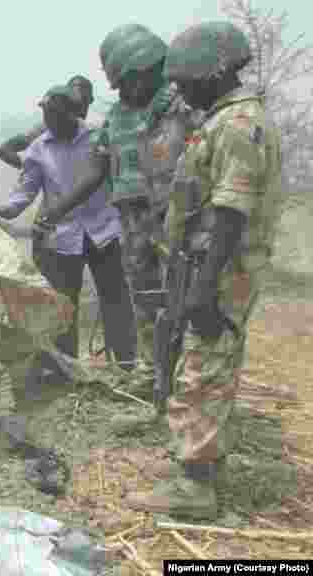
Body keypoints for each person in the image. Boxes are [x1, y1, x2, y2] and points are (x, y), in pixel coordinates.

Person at [124, 21, 283, 518]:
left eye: (186, 80)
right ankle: (196, 469)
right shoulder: (226, 120)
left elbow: (231, 213)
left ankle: (195, 488)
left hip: (219, 270)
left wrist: (204, 285)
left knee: (202, 370)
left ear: (213, 74)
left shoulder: (236, 125)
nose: (180, 89)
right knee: (204, 368)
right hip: (207, 266)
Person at [36, 24, 198, 403]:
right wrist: (58, 207)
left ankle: (185, 382)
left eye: (128, 80)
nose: (124, 90)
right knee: (145, 300)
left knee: (183, 300)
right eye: (119, 83)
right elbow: (97, 169)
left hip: (177, 221)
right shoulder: (118, 117)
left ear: (147, 67)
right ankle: (151, 375)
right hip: (133, 223)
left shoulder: (183, 106)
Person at [0, 85, 136, 387]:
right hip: (64, 237)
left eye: (55, 116)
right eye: (45, 115)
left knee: (115, 299)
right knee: (63, 305)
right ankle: (67, 371)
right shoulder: (38, 149)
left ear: (72, 114)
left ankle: (126, 368)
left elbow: (100, 177)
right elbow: (25, 190)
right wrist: (4, 211)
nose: (49, 122)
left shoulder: (98, 137)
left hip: (102, 230)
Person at [0, 75, 95, 170]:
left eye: (83, 101)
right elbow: (4, 150)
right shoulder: (47, 127)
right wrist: (36, 170)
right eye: (74, 100)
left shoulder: (92, 131)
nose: (81, 107)